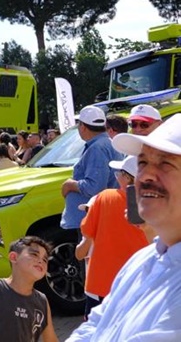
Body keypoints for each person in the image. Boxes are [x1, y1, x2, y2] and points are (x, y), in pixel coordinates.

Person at [66, 112, 181, 340]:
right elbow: (96, 323)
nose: (146, 175)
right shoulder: (142, 261)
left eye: (165, 164)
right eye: (143, 162)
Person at [76, 154, 149, 319]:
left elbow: (85, 240)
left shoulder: (104, 197)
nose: (116, 177)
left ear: (126, 178)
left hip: (102, 284)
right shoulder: (152, 204)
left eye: (119, 173)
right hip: (137, 283)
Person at [61, 106, 123, 231]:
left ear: (83, 126)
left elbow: (95, 187)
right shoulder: (107, 143)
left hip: (91, 219)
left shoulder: (97, 148)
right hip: (98, 217)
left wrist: (70, 185)